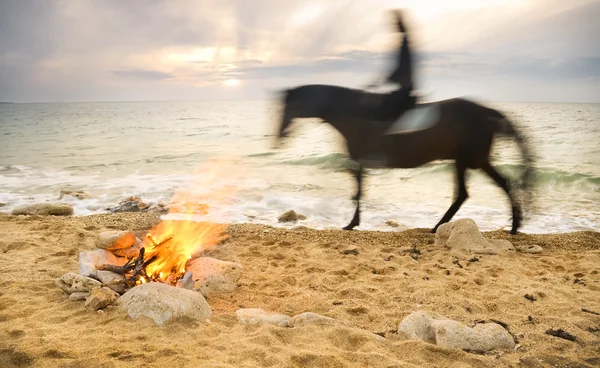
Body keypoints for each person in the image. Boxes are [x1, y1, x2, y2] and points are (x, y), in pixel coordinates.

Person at [366, 9, 416, 120]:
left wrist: (382, 82)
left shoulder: (405, 43)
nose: (394, 26)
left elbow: (402, 67)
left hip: (405, 88)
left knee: (384, 111)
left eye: (396, 23)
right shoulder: (404, 42)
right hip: (403, 87)